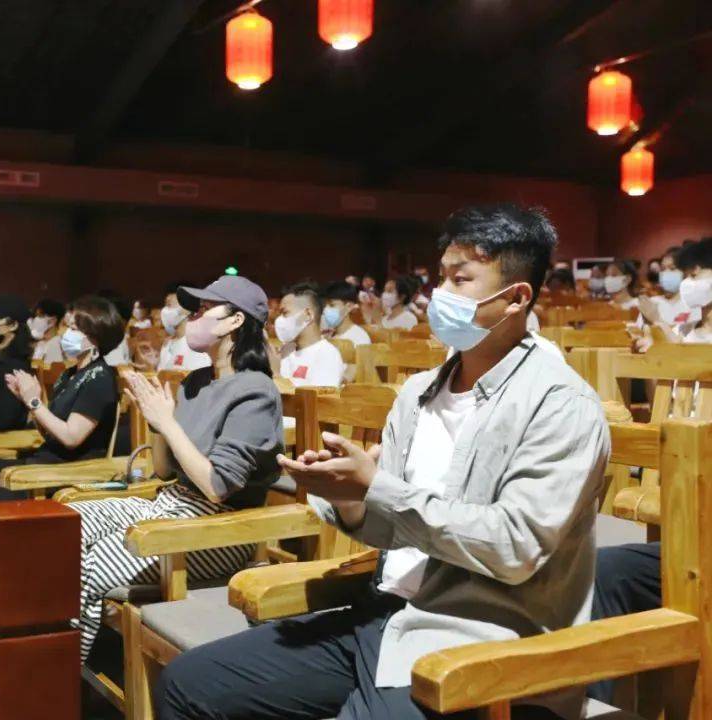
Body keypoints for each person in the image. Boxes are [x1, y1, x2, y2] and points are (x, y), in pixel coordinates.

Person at [157, 204, 610, 720]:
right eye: (441, 277)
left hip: (477, 639)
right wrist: (351, 497)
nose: (439, 295)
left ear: (516, 298)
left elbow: (516, 547)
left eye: (461, 280)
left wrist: (381, 488)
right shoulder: (419, 391)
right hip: (385, 616)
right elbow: (386, 528)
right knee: (188, 684)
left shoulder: (558, 403)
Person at [71, 275, 283, 663]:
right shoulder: (195, 381)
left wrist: (167, 423)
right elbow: (166, 471)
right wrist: (158, 425)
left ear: (235, 322)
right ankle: (41, 661)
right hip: (169, 503)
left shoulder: (256, 390)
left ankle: (61, 681)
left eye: (204, 310)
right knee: (61, 525)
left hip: (220, 528)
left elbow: (218, 486)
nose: (193, 318)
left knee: (95, 562)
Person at [0, 295, 124, 566]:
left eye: (75, 329)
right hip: (43, 461)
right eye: (67, 326)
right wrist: (28, 401)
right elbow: (49, 432)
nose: (66, 334)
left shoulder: (100, 378)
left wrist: (33, 401)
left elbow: (71, 437)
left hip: (67, 472)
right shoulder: (71, 375)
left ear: (95, 336)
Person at [277, 282, 345, 388]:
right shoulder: (285, 352)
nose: (279, 320)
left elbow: (315, 402)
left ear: (308, 315)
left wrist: (276, 374)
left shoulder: (327, 354)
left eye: (285, 313)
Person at [146, 282, 211, 372]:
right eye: (165, 305)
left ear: (188, 308)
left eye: (169, 305)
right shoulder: (167, 344)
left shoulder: (198, 347)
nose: (165, 311)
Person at [321, 281, 371, 346]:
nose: (325, 310)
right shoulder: (329, 334)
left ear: (349, 306)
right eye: (325, 305)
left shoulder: (359, 339)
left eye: (332, 305)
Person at [29, 298, 66, 365]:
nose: (34, 320)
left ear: (52, 320)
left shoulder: (55, 344)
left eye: (40, 316)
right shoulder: (41, 344)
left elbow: (52, 373)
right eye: (34, 316)